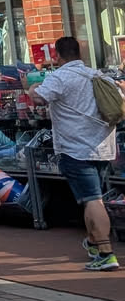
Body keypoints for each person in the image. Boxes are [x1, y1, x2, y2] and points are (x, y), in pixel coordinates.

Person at [37, 37, 120, 270]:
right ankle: (93, 243)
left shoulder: (60, 77)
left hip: (75, 149)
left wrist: (30, 87)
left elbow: (39, 98)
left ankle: (106, 252)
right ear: (79, 53)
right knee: (89, 198)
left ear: (57, 56)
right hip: (103, 148)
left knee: (93, 200)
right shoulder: (99, 76)